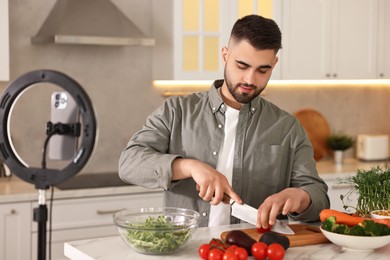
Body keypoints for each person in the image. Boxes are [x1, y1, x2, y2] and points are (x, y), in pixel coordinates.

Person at [119, 14, 329, 228]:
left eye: (262, 70)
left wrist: (300, 196)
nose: (250, 79)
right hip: (185, 248)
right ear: (225, 55)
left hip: (255, 250)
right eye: (242, 65)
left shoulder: (287, 128)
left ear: (274, 64)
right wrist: (188, 166)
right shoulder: (176, 111)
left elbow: (318, 195)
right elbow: (129, 163)